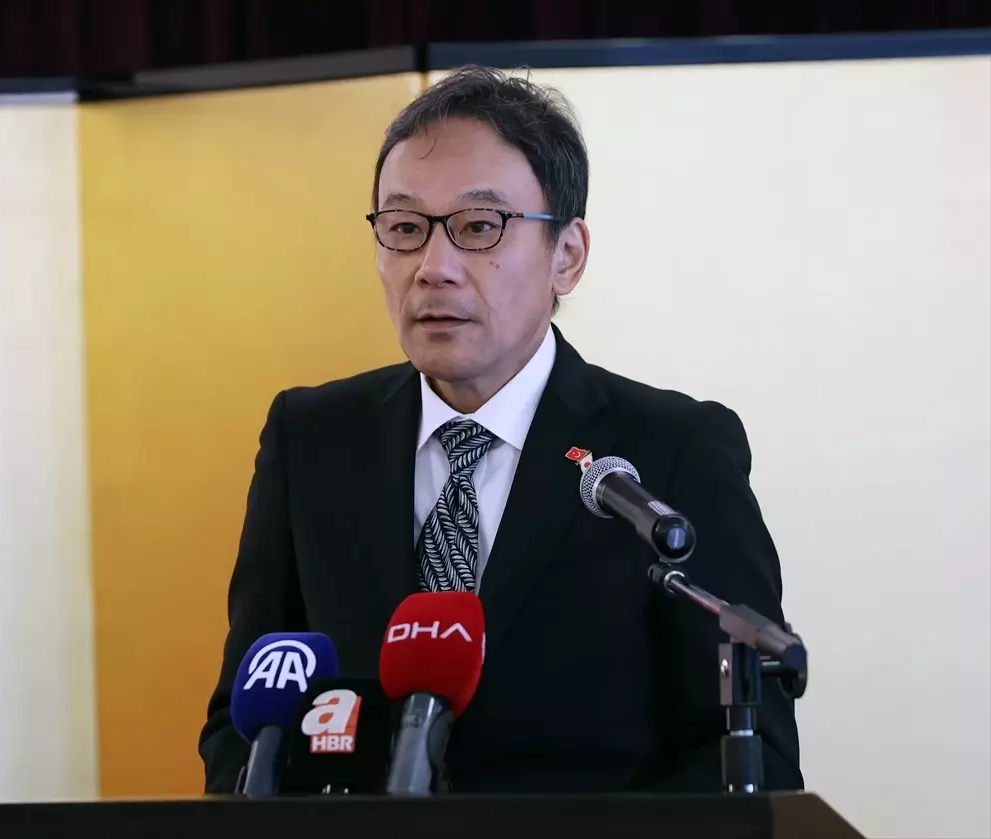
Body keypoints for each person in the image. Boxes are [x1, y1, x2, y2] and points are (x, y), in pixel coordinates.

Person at [198, 65, 802, 794]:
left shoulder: (671, 453)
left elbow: (746, 754)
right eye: (404, 229)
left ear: (567, 255)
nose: (435, 268)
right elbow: (241, 725)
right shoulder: (311, 440)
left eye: (480, 227)